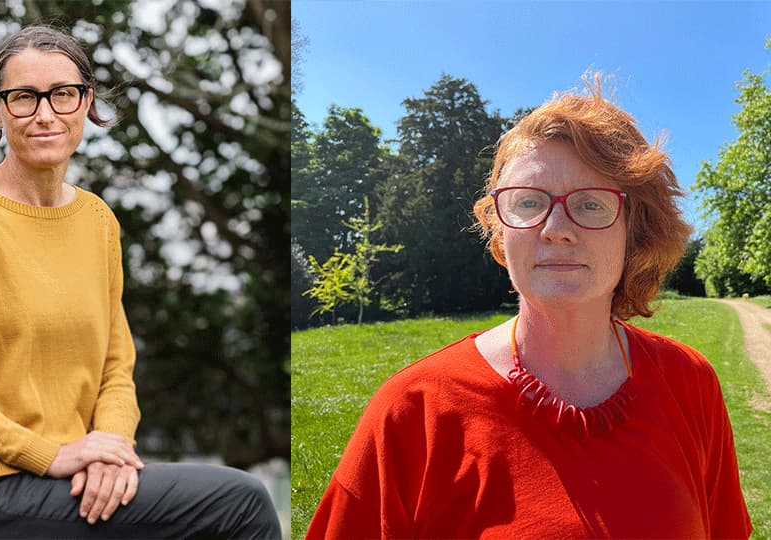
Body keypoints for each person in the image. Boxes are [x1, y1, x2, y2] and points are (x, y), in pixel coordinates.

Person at [305, 77, 752, 538]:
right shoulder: (413, 413)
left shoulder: (690, 384)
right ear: (500, 230)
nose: (556, 228)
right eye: (528, 202)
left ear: (635, 231)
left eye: (592, 204)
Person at [0, 24, 281, 539]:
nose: (45, 114)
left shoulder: (98, 221)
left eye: (62, 94)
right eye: (23, 98)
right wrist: (51, 454)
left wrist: (110, 449)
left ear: (86, 102)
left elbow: (115, 365)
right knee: (240, 503)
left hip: (73, 477)